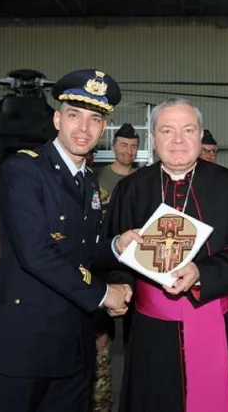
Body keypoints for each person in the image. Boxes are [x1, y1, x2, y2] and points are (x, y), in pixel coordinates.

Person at [0, 69, 140, 412]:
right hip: (23, 347)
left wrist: (116, 246)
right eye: (74, 115)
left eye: (94, 119)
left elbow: (80, 248)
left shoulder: (89, 183)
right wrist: (102, 294)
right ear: (57, 119)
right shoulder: (24, 171)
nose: (84, 128)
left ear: (103, 127)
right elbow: (36, 252)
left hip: (73, 347)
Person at [104, 97, 228, 412]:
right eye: (167, 130)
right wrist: (120, 284)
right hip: (150, 330)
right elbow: (113, 253)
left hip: (213, 321)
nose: (178, 140)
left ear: (200, 134)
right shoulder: (131, 189)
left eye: (188, 130)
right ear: (152, 139)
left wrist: (201, 273)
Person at [92, 122, 139, 412]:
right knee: (100, 338)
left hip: (137, 266)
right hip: (104, 263)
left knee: (137, 335)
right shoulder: (97, 180)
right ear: (113, 147)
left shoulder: (144, 180)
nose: (128, 150)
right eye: (123, 145)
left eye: (133, 146)